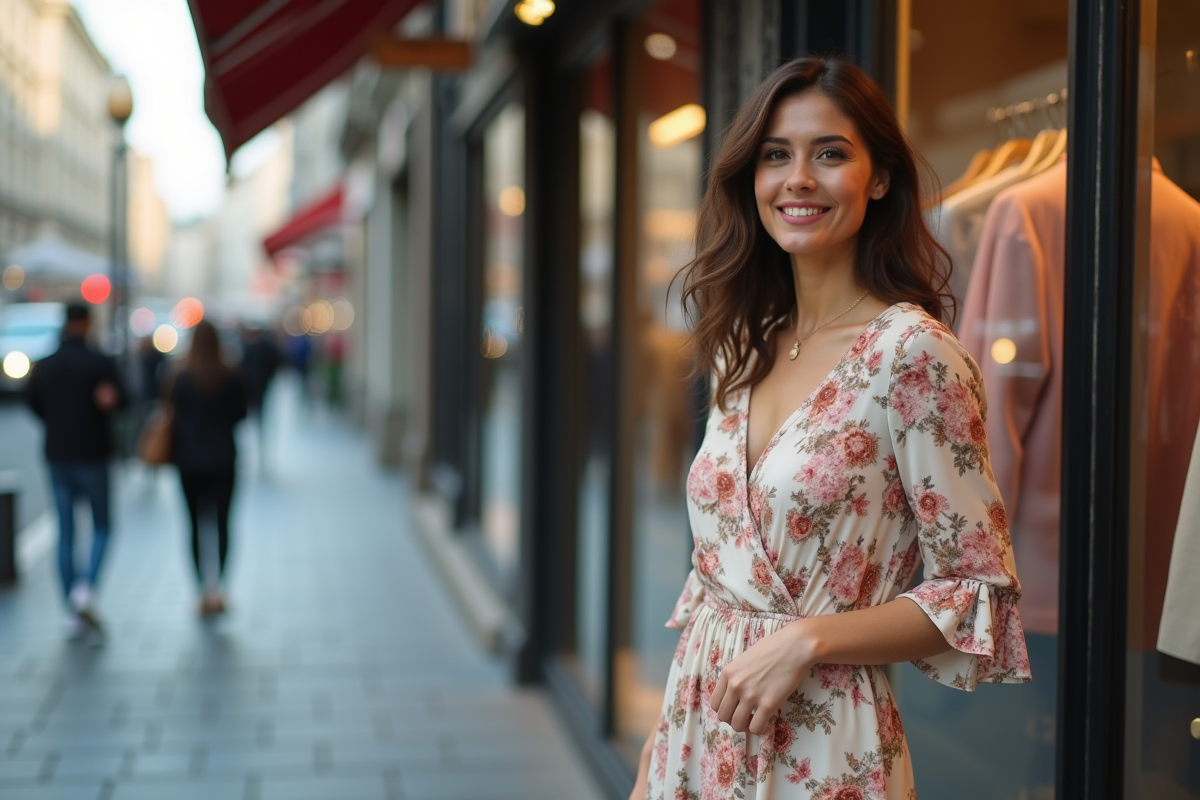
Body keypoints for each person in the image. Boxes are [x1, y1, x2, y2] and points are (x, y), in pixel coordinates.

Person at [631, 57, 1030, 800]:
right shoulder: (741, 345)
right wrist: (656, 764)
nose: (799, 179)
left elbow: (974, 588)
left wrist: (810, 638)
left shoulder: (911, 354)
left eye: (831, 153)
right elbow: (718, 594)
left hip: (823, 746)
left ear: (878, 178)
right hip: (697, 735)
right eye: (776, 155)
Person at [24, 303, 126, 639]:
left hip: (57, 455)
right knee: (102, 526)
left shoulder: (46, 364)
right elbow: (122, 401)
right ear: (85, 324)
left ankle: (71, 606)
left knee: (65, 534)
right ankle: (85, 592)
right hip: (92, 454)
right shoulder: (98, 362)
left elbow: (33, 403)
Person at [169, 320, 247, 616]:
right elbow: (241, 414)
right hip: (223, 460)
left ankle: (202, 590)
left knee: (194, 526)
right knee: (223, 524)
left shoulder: (181, 376)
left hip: (189, 462)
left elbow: (172, 415)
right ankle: (221, 588)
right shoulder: (231, 375)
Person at [237, 323, 279, 471]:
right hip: (258, 388)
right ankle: (257, 451)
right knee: (257, 421)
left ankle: (257, 452)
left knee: (255, 421)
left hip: (256, 388)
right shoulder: (260, 347)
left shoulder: (249, 347)